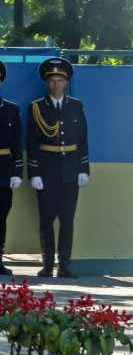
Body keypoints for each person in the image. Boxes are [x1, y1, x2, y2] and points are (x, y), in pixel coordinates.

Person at [27, 57, 89, 279]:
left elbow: (83, 140)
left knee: (67, 220)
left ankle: (65, 266)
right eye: (52, 80)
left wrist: (84, 169)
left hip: (70, 171)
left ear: (66, 82)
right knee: (46, 221)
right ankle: (47, 265)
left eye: (60, 80)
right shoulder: (36, 108)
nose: (56, 84)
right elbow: (31, 143)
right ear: (47, 82)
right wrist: (34, 172)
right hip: (46, 171)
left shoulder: (76, 106)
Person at [0, 61, 22, 277]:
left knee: (1, 216)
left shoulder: (11, 110)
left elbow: (17, 143)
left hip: (3, 170)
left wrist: (17, 172)